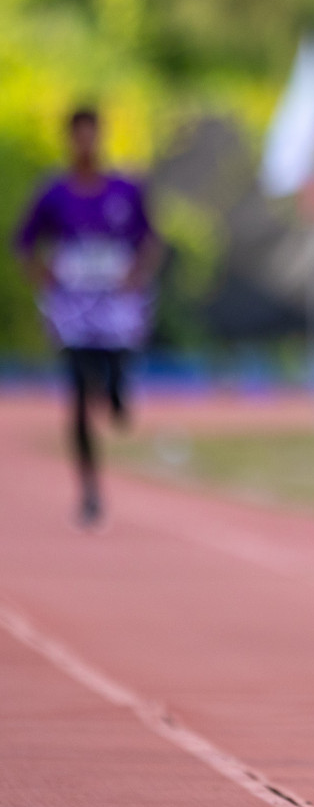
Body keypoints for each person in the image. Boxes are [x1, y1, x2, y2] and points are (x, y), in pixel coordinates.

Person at [14, 107, 161, 526]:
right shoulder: (53, 193)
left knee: (112, 391)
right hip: (73, 306)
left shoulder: (125, 190)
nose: (84, 144)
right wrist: (42, 276)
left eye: (90, 135)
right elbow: (24, 242)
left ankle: (117, 390)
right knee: (78, 396)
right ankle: (90, 490)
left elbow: (150, 241)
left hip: (116, 304)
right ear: (68, 140)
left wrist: (137, 274)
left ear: (100, 137)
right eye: (77, 136)